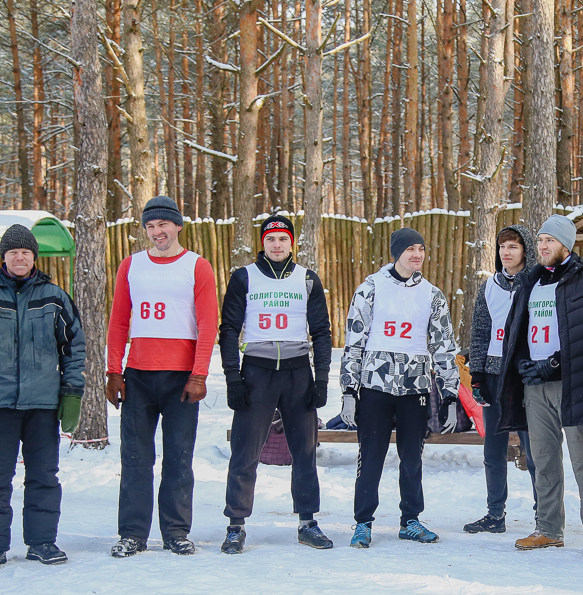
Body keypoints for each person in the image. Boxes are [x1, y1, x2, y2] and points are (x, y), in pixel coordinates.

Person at [0, 224, 85, 574]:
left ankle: (42, 542)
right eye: (13, 252)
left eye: (25, 251)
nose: (20, 257)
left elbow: (74, 348)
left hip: (43, 404)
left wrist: (72, 394)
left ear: (34, 256)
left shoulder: (55, 297)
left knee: (44, 475)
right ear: (4, 257)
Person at [106, 196, 219, 557]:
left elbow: (207, 324)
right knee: (136, 458)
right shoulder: (131, 265)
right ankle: (132, 534)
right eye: (150, 226)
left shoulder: (197, 267)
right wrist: (113, 370)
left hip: (181, 379)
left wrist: (199, 374)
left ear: (178, 226)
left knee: (178, 458)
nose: (157, 232)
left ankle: (175, 532)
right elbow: (119, 320)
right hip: (138, 375)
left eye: (163, 225)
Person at [497, 215, 583, 559]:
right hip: (535, 387)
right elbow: (518, 331)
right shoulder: (529, 283)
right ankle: (548, 528)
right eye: (540, 240)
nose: (543, 246)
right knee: (544, 460)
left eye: (550, 240)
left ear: (567, 244)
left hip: (573, 384)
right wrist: (521, 364)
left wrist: (556, 363)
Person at [217, 214, 334, 553]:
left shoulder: (307, 280)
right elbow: (228, 330)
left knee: (305, 452)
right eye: (271, 239)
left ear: (291, 243)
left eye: (283, 239)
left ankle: (307, 522)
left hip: (298, 372)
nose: (277, 244)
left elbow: (322, 332)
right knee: (244, 452)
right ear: (263, 243)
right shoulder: (244, 277)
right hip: (257, 371)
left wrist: (322, 378)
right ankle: (236, 525)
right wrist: (233, 379)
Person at [339, 227, 460, 548]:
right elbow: (353, 342)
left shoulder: (432, 295)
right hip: (375, 388)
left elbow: (445, 347)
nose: (417, 254)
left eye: (421, 248)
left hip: (415, 389)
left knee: (412, 459)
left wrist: (449, 394)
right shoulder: (371, 288)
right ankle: (363, 522)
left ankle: (411, 520)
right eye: (410, 249)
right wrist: (349, 391)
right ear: (397, 253)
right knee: (371, 457)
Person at [464, 225, 539, 534]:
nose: (506, 253)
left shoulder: (537, 284)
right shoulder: (490, 286)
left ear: (526, 251)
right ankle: (495, 514)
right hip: (493, 374)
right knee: (493, 449)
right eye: (502, 247)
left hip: (524, 375)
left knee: (534, 450)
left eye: (513, 247)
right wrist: (477, 374)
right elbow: (480, 332)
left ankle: (544, 515)